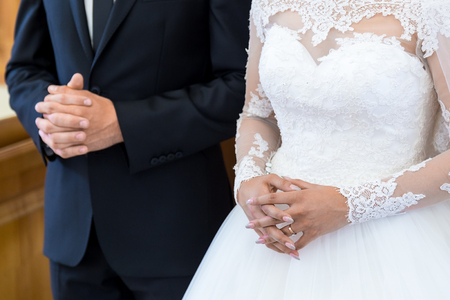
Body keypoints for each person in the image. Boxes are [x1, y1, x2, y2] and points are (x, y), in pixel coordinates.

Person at [183, 0, 450, 299]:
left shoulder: (430, 9)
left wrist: (348, 205)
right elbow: (259, 114)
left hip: (396, 237)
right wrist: (248, 178)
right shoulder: (267, 5)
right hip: (280, 228)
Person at [6, 0, 251, 298]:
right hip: (73, 235)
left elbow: (241, 86)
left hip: (175, 233)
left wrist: (124, 124)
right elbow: (24, 69)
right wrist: (50, 120)